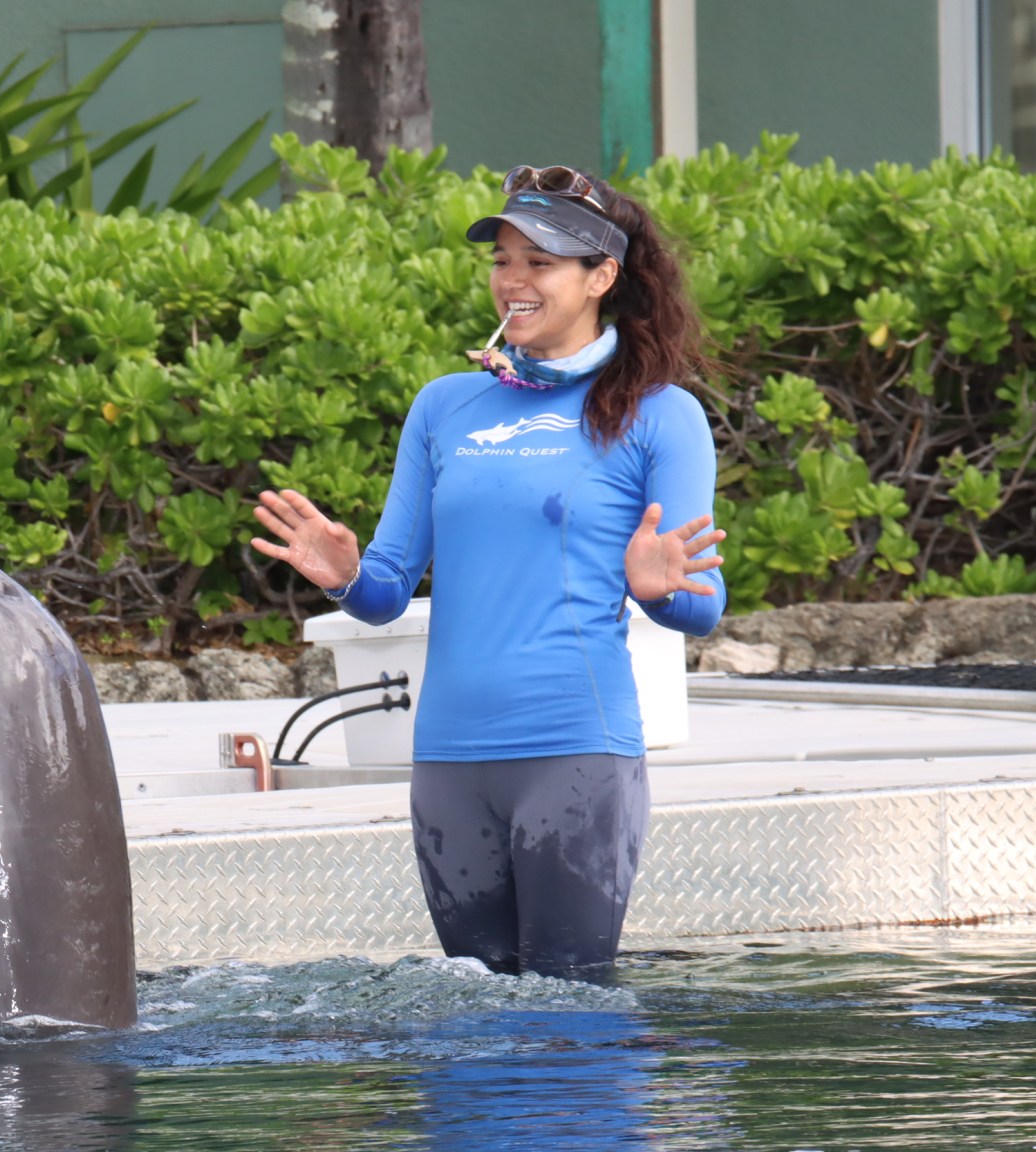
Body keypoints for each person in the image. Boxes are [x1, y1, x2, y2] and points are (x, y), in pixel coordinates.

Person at [251, 165, 727, 982]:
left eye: (540, 262)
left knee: (565, 1016)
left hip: (575, 754)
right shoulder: (446, 407)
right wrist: (343, 574)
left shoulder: (659, 414)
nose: (514, 279)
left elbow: (704, 606)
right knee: (475, 1023)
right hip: (449, 764)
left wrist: (661, 590)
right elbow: (385, 594)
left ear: (601, 277)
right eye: (503, 260)